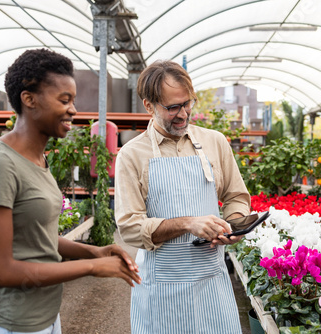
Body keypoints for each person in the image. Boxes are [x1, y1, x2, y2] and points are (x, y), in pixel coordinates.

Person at [0, 48, 141, 334]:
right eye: (64, 100)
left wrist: (94, 252)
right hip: (9, 323)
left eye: (73, 100)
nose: (73, 109)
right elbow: (0, 272)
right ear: (29, 99)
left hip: (46, 318)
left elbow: (40, 237)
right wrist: (91, 268)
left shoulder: (38, 159)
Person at [114, 60, 251, 333]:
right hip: (162, 289)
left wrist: (234, 225)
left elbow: (236, 196)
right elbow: (129, 227)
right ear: (149, 106)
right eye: (172, 107)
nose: (183, 114)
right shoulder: (131, 155)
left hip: (211, 281)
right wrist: (188, 223)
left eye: (187, 103)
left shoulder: (215, 142)